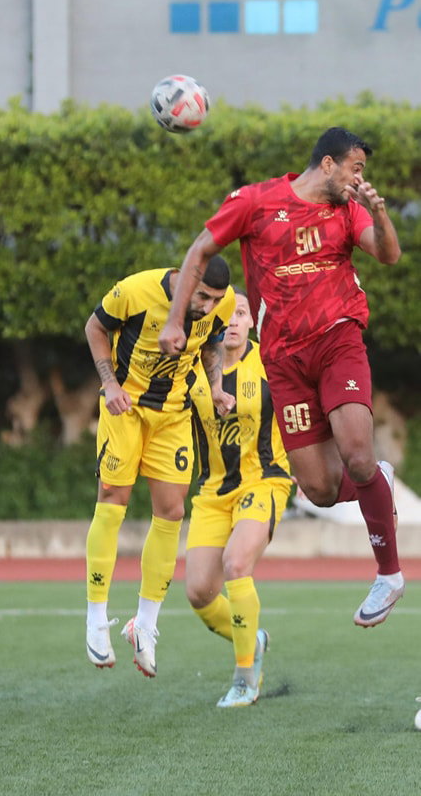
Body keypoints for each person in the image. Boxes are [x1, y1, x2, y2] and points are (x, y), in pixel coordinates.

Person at [160, 127, 404, 627]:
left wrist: (378, 213)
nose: (360, 179)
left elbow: (388, 254)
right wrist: (174, 320)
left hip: (337, 341)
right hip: (285, 361)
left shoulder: (349, 209)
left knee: (358, 453)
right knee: (319, 488)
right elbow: (199, 251)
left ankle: (389, 573)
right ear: (329, 164)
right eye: (356, 169)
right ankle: (376, 484)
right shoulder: (256, 202)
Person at [84, 258, 236, 677]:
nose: (208, 306)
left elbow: (213, 343)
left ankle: (145, 625)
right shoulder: (136, 290)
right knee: (113, 499)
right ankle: (96, 617)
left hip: (173, 414)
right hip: (126, 407)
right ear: (186, 277)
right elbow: (94, 328)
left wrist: (217, 387)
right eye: (202, 296)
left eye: (216, 299)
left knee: (171, 511)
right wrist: (109, 384)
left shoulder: (220, 305)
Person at [186, 289, 293, 707]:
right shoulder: (194, 368)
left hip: (263, 481)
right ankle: (253, 638)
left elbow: (305, 407)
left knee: (236, 563)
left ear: (252, 322)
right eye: (225, 313)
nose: (232, 320)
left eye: (241, 313)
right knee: (199, 593)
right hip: (213, 491)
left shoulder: (271, 363)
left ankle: (246, 677)